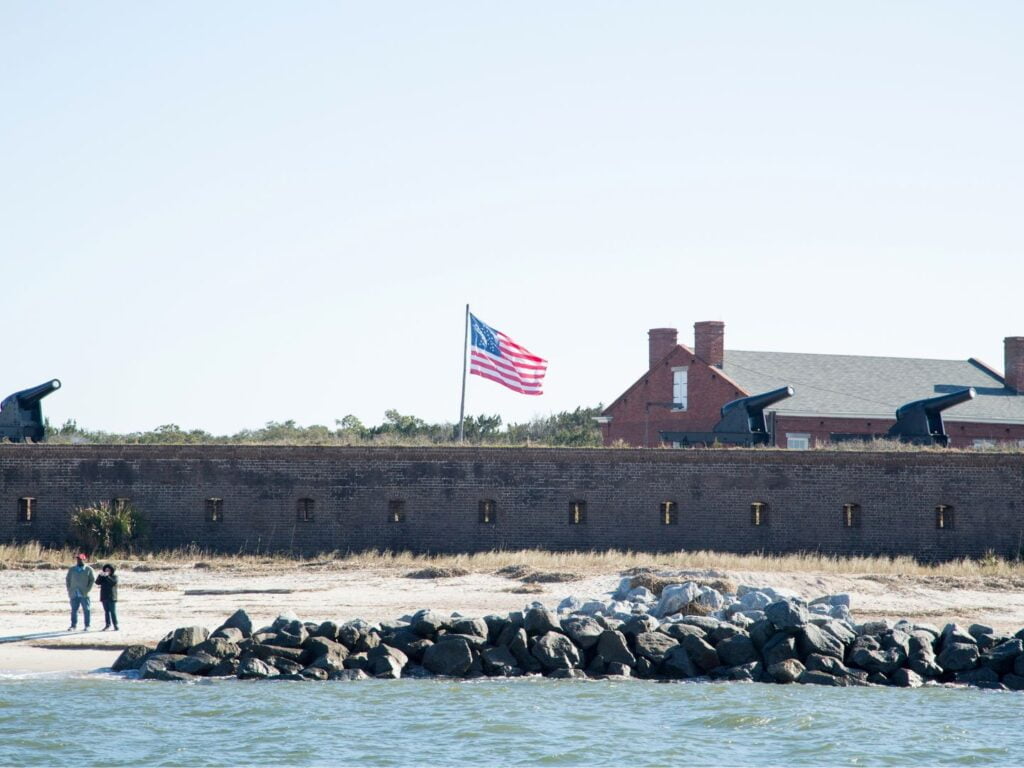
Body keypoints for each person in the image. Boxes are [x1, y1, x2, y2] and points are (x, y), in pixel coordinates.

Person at [65, 553, 95, 631]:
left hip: (84, 593)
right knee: (74, 610)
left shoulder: (89, 569)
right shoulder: (72, 569)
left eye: (80, 559)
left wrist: (87, 590)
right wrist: (69, 589)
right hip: (74, 592)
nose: (79, 560)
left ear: (84, 559)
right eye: (78, 559)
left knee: (86, 609)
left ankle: (87, 625)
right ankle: (73, 626)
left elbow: (92, 580)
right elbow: (67, 579)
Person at [95, 564, 119, 631]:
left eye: (108, 570)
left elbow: (113, 582)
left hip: (112, 597)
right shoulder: (103, 577)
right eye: (106, 570)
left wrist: (107, 576)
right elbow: (97, 582)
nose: (107, 571)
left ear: (111, 570)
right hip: (104, 597)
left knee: (113, 612)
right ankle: (107, 625)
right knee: (106, 612)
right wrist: (100, 575)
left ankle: (115, 625)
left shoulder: (114, 576)